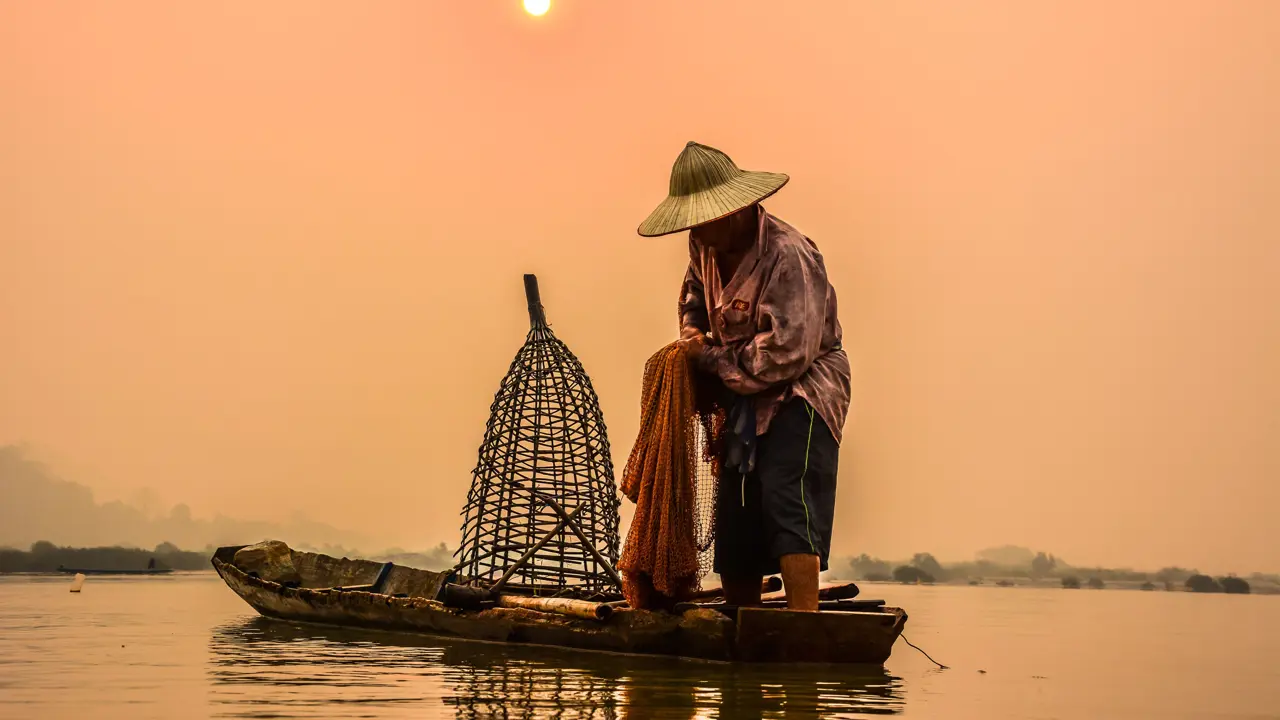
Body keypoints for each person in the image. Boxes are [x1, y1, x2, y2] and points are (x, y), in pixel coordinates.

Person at [637, 141, 851, 611]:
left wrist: (710, 359)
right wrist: (692, 334)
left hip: (802, 391)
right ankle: (741, 626)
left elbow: (787, 353)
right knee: (736, 515)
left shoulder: (788, 254)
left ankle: (802, 626)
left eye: (704, 220)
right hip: (742, 395)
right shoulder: (703, 247)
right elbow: (693, 297)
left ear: (735, 211)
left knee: (787, 499)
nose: (697, 231)